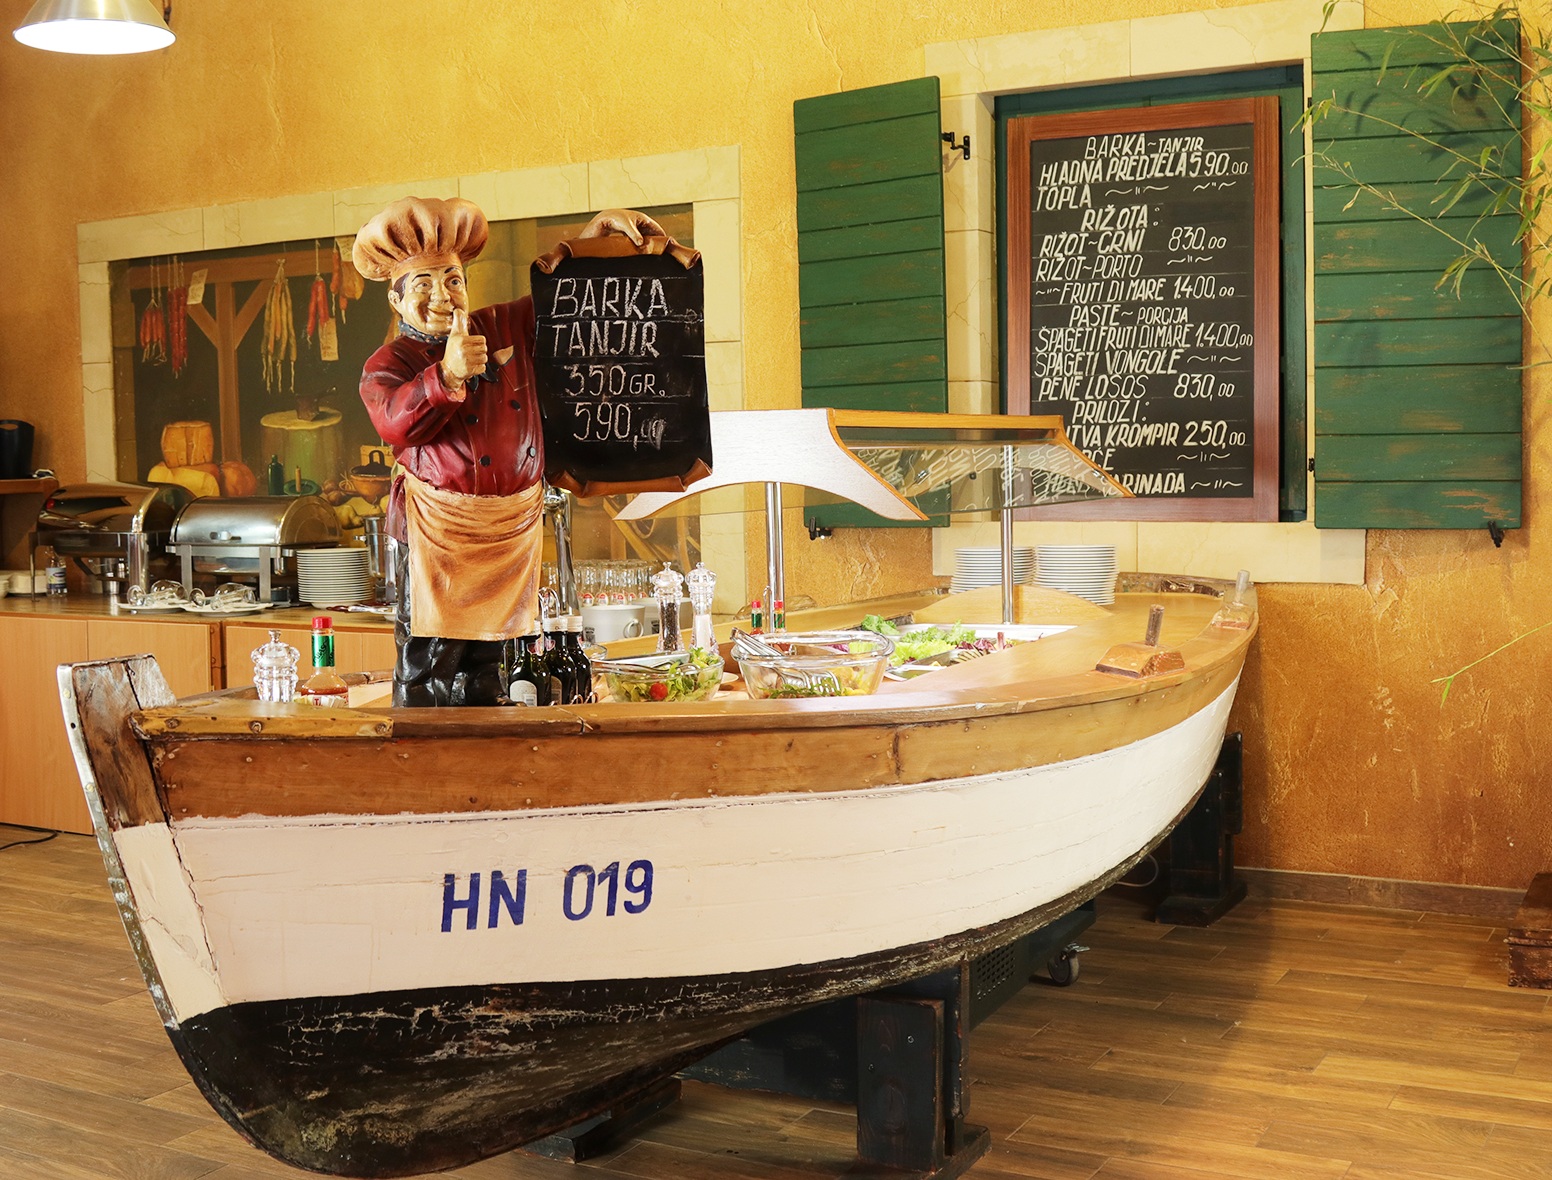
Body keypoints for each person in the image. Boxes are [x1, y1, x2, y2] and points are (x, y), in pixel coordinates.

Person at [352, 196, 662, 706]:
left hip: (512, 529)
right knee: (430, 658)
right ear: (396, 299)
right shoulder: (389, 362)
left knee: (496, 656)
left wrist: (596, 238)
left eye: (453, 280)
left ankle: (489, 732)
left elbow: (561, 298)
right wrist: (446, 375)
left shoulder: (499, 326)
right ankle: (423, 745)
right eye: (423, 284)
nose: (441, 296)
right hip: (441, 535)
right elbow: (395, 423)